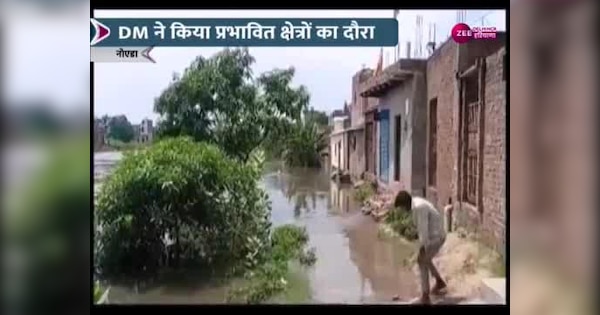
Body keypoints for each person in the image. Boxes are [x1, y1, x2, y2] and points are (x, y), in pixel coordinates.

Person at [395, 191, 447, 304]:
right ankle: (439, 282)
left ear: (405, 205)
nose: (402, 211)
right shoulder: (415, 205)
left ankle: (425, 296)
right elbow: (419, 229)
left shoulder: (419, 207)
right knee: (425, 259)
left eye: (402, 208)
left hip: (437, 237)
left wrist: (422, 247)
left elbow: (423, 230)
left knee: (421, 259)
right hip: (433, 235)